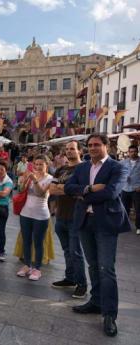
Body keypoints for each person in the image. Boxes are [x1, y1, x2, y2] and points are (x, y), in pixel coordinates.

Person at [65, 134, 130, 337]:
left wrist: (82, 194)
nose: (92, 148)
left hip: (106, 223)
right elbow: (68, 188)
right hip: (85, 222)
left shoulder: (118, 167)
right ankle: (96, 301)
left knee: (106, 269)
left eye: (97, 145)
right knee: (92, 265)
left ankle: (110, 314)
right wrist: (89, 188)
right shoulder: (82, 167)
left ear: (106, 146)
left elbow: (110, 193)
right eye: (90, 145)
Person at [49, 141, 87, 298]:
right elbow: (51, 189)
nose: (69, 151)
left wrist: (63, 189)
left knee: (76, 252)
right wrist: (68, 189)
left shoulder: (84, 168)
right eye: (67, 149)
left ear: (79, 151)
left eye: (72, 149)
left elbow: (81, 191)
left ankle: (82, 284)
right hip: (60, 216)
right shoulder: (61, 169)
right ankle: (70, 278)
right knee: (66, 251)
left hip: (75, 216)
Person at [17, 155, 53, 281]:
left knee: (38, 242)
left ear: (46, 165)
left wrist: (35, 180)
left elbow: (41, 193)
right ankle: (27, 265)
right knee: (26, 241)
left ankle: (37, 268)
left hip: (41, 215)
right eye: (36, 164)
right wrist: (24, 181)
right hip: (25, 213)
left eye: (41, 164)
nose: (37, 167)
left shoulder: (50, 178)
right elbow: (20, 190)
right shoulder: (30, 176)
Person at [120, 145, 140, 235]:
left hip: (137, 189)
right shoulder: (123, 162)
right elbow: (118, 172)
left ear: (137, 152)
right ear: (128, 152)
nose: (133, 153)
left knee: (138, 209)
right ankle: (124, 226)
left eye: (134, 151)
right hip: (125, 188)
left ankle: (139, 227)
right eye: (131, 151)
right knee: (124, 208)